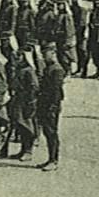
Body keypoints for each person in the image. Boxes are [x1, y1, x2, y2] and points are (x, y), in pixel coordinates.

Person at [36, 43, 65, 172]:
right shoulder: (49, 68)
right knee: (47, 132)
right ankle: (50, 159)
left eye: (45, 54)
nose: (43, 56)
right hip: (45, 104)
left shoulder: (57, 70)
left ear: (53, 53)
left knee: (51, 133)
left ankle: (54, 160)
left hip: (51, 106)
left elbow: (56, 91)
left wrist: (53, 106)